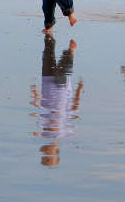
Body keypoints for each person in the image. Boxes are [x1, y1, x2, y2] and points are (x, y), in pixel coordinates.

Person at [30, 34, 84, 167]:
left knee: (47, 56)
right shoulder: (65, 132)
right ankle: (70, 51)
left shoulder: (42, 131)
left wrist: (35, 95)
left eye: (46, 157)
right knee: (63, 68)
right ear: (56, 152)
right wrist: (78, 90)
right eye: (50, 156)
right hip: (61, 89)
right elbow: (74, 108)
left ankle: (50, 37)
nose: (48, 153)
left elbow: (39, 111)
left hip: (47, 84)